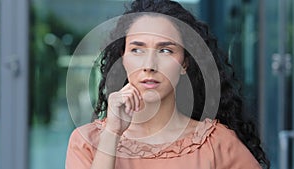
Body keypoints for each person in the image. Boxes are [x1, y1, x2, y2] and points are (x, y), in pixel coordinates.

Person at [66, 0, 270, 169]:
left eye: (165, 50)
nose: (149, 65)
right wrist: (112, 133)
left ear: (184, 63)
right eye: (137, 50)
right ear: (123, 59)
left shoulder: (216, 143)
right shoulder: (87, 141)